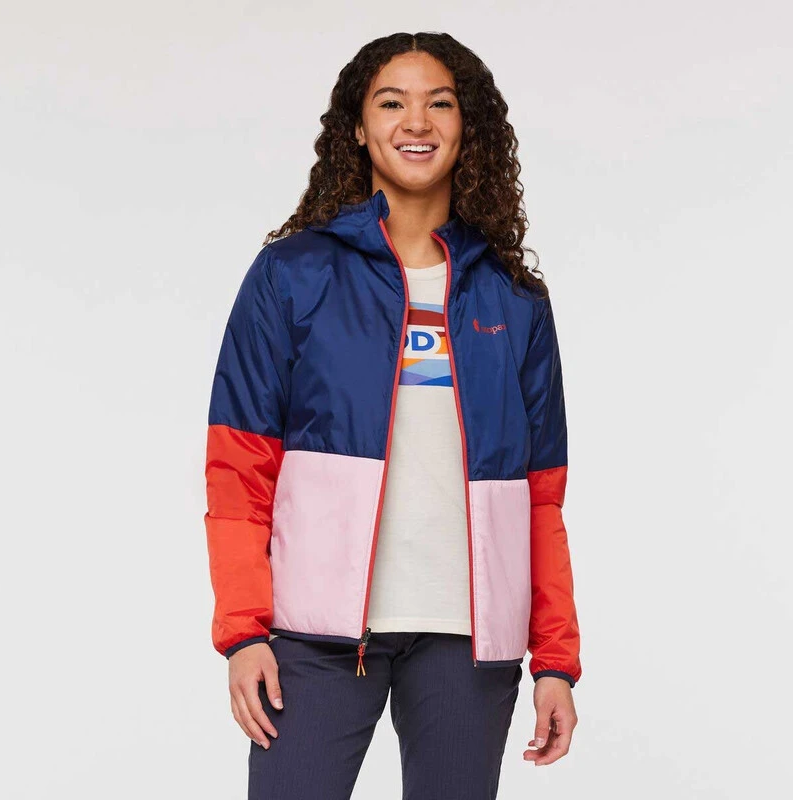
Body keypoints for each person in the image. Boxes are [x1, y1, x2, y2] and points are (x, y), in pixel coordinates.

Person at [203, 31, 582, 800]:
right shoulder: (292, 275)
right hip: (314, 637)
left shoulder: (513, 299)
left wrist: (555, 661)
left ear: (467, 126)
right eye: (391, 103)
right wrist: (243, 632)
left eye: (439, 103)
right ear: (357, 126)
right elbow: (238, 469)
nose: (416, 122)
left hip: (469, 643)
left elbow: (541, 500)